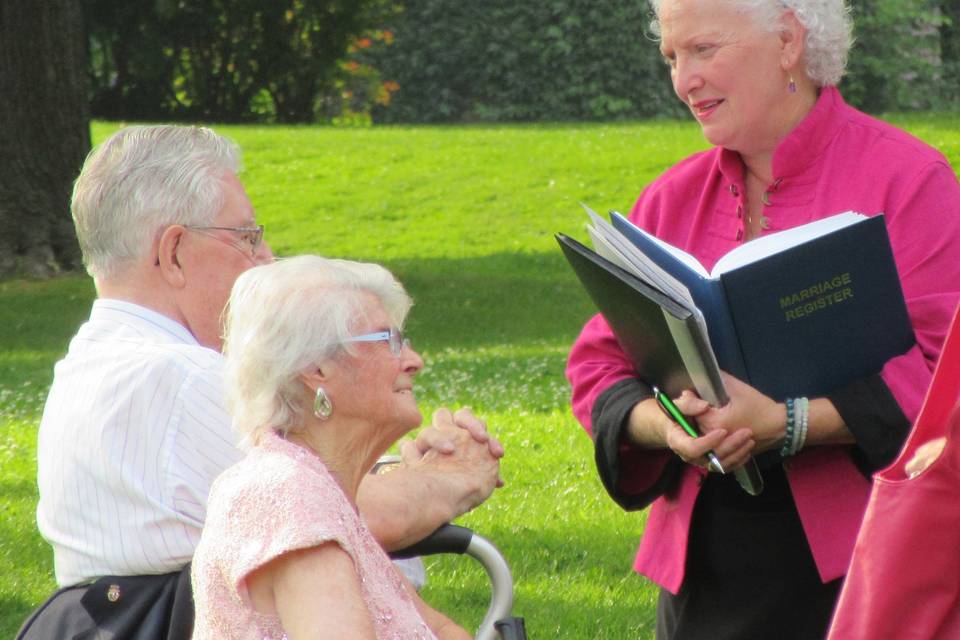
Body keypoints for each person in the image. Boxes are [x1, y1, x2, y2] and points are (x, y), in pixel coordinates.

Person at [566, 1, 960, 638]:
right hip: (705, 575)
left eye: (703, 50)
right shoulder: (670, 196)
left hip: (866, 566)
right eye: (672, 57)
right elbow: (598, 367)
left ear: (788, 41)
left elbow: (949, 379)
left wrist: (790, 423)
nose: (682, 79)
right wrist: (668, 430)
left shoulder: (909, 180)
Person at [30, 125, 502, 637]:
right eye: (247, 237)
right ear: (174, 252)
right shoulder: (179, 377)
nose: (267, 256)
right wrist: (452, 476)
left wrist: (393, 468)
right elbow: (328, 513)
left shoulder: (98, 362)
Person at [191, 255, 468, 638]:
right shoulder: (285, 496)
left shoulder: (325, 495)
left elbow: (438, 628)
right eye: (389, 341)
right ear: (316, 368)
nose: (414, 362)